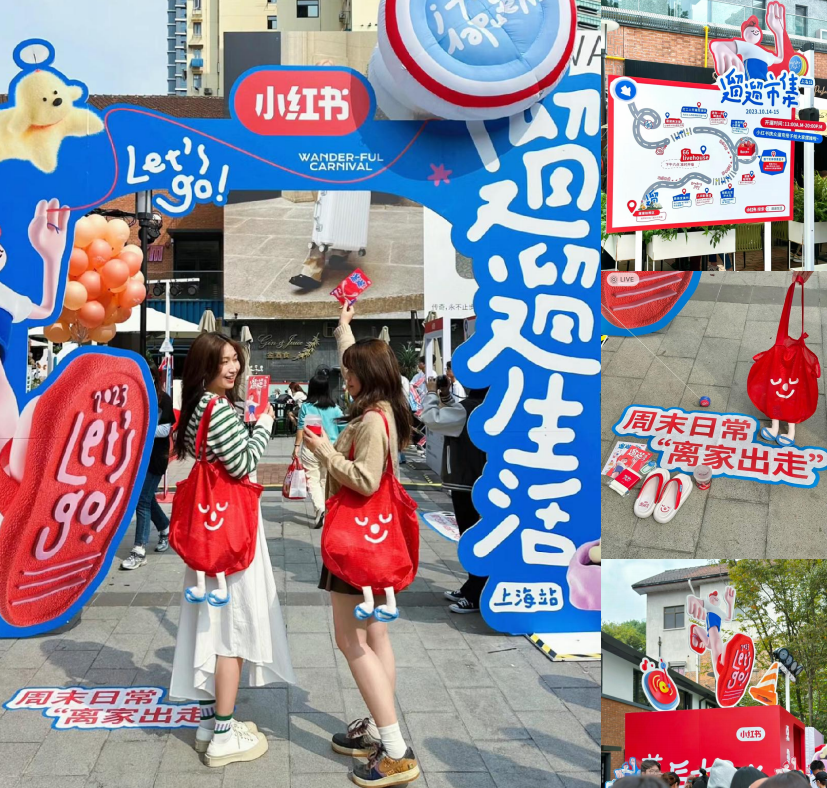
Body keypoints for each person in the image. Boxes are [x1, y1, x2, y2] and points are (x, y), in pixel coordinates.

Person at [302, 302, 419, 787]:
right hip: (375, 541)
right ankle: (376, 729)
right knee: (375, 637)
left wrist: (325, 450)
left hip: (355, 541)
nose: (343, 378)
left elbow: (366, 480)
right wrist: (345, 328)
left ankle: (393, 749)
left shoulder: (371, 421)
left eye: (350, 373)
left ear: (366, 377)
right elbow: (357, 359)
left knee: (350, 641)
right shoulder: (385, 408)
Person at [169, 332, 295, 767]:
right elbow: (241, 465)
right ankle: (223, 734)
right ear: (205, 366)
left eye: (235, 360)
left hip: (208, 532)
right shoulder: (218, 408)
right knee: (233, 627)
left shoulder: (197, 408)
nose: (234, 368)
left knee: (210, 623)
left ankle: (207, 723)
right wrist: (261, 429)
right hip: (231, 536)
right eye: (224, 361)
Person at [419, 376, 488, 613]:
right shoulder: (486, 406)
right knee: (476, 537)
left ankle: (477, 594)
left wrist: (430, 393)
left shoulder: (467, 408)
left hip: (465, 482)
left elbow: (432, 419)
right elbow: (453, 415)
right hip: (480, 481)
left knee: (471, 539)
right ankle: (472, 587)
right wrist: (446, 397)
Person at [121, 364, 175, 570]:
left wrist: (141, 427)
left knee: (141, 500)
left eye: (147, 376)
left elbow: (165, 429)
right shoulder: (133, 398)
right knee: (146, 498)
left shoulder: (163, 399)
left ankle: (139, 549)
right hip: (136, 456)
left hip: (155, 457)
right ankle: (164, 527)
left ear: (154, 378)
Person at [293, 370, 344, 529]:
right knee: (324, 480)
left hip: (310, 447)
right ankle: (325, 510)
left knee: (312, 479)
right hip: (330, 447)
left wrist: (296, 447)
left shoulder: (306, 407)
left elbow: (300, 428)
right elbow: (343, 428)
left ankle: (320, 508)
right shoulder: (335, 408)